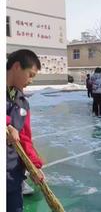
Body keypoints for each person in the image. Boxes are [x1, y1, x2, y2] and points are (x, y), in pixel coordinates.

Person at [7, 49, 45, 212]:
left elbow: (25, 138)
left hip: (12, 177)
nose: (31, 81)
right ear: (16, 66)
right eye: (30, 75)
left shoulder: (22, 102)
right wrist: (7, 124)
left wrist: (34, 166)